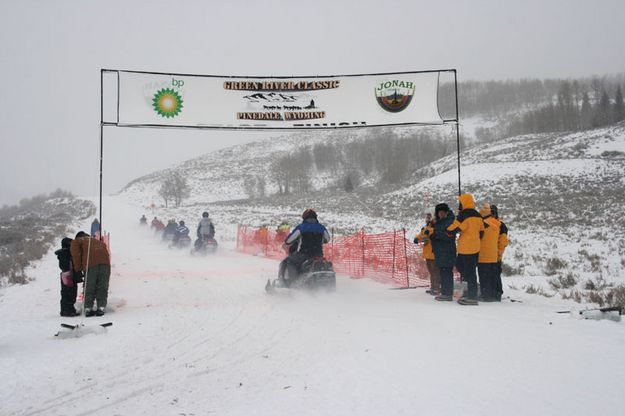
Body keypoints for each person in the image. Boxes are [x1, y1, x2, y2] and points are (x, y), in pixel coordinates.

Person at [447, 193, 484, 305]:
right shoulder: (478, 215)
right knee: (469, 270)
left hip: (465, 248)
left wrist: (448, 230)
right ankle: (470, 291)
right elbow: (482, 232)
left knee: (467, 270)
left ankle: (472, 296)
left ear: (464, 203)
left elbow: (454, 228)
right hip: (475, 247)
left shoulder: (463, 215)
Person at [283, 209, 331, 284]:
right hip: (318, 255)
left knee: (290, 261)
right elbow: (327, 239)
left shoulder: (301, 227)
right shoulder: (322, 227)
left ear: (304, 217)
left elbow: (288, 241)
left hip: (304, 255)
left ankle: (294, 283)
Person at [71, 231, 111, 317]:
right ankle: (101, 307)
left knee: (89, 286)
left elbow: (76, 255)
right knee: (102, 285)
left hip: (91, 264)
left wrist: (78, 270)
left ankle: (88, 308)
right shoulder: (97, 241)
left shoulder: (77, 241)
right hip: (106, 263)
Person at [425, 204, 457, 301]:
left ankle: (447, 294)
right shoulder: (439, 222)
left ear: (446, 212)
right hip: (440, 252)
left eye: (442, 212)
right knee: (443, 273)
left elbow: (449, 235)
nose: (441, 214)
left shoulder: (450, 221)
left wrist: (435, 235)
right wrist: (431, 234)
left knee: (447, 273)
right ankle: (444, 292)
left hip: (447, 251)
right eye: (439, 212)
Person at [477, 203, 502, 302]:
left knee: (484, 277)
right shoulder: (498, 224)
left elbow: (478, 237)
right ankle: (495, 294)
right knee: (494, 276)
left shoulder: (483, 224)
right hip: (494, 255)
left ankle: (486, 295)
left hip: (483, 255)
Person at [414, 213, 440, 295]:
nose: (427, 218)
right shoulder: (427, 227)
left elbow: (429, 234)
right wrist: (417, 238)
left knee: (436, 271)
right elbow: (422, 234)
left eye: (429, 217)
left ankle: (437, 288)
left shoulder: (436, 227)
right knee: (431, 271)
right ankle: (433, 287)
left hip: (434, 252)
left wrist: (426, 236)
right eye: (427, 217)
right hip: (428, 253)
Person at [54, 237, 80, 316]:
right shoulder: (68, 253)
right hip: (70, 275)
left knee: (65, 293)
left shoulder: (61, 253)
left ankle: (64, 310)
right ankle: (70, 310)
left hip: (64, 275)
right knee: (71, 293)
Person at [492, 204, 509, 301]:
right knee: (490, 274)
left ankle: (497, 293)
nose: (492, 215)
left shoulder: (501, 225)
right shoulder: (487, 223)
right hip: (488, 254)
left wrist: (499, 253)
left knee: (496, 274)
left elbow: (503, 241)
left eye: (493, 213)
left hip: (496, 254)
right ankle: (491, 292)